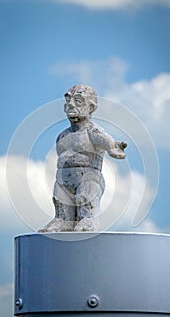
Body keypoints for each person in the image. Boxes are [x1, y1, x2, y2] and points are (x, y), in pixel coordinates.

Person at [39, 84, 127, 232]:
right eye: (68, 101)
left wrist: (115, 146)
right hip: (64, 180)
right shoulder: (62, 136)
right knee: (60, 202)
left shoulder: (93, 131)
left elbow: (109, 143)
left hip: (88, 178)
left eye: (78, 101)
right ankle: (63, 221)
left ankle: (88, 220)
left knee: (84, 198)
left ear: (91, 107)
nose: (71, 105)